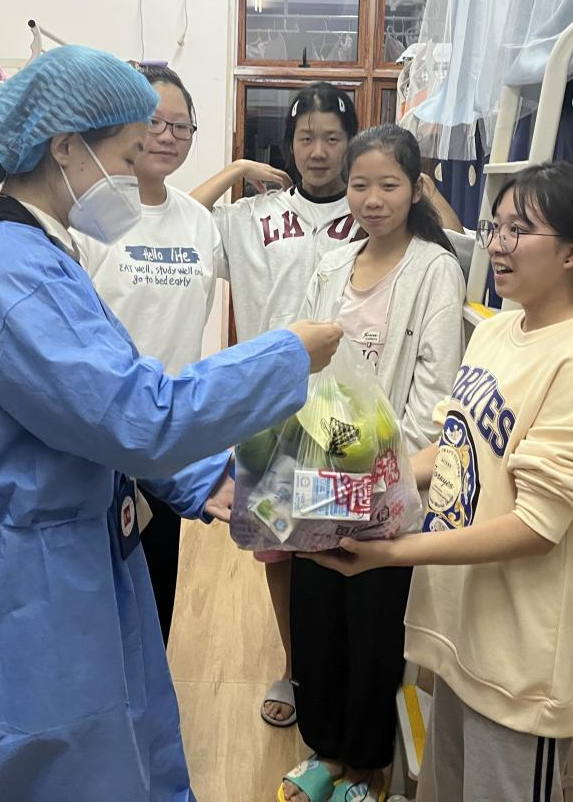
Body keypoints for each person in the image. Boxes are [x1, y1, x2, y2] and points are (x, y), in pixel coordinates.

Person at [0, 45, 343, 801]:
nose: (137, 177)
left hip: (66, 553)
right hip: (17, 585)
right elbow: (134, 415)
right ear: (66, 148)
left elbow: (95, 402)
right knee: (32, 771)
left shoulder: (42, 255)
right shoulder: (11, 276)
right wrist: (286, 353)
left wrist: (206, 480)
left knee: (118, 749)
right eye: (129, 156)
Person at [309, 162, 573, 802]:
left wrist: (393, 554)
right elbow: (454, 449)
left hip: (527, 662)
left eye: (520, 230)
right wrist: (362, 487)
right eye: (497, 226)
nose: (498, 243)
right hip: (468, 633)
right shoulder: (496, 331)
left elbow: (537, 528)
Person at [279, 125, 466, 802]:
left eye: (389, 184)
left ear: (416, 189)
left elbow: (434, 390)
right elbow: (301, 364)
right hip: (317, 470)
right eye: (360, 184)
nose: (372, 199)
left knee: (373, 626)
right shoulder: (331, 265)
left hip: (388, 482)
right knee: (315, 616)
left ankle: (366, 766)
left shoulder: (435, 269)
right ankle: (324, 751)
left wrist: (378, 476)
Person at [191, 82, 362, 729]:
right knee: (280, 550)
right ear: (288, 144)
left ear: (351, 143)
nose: (317, 152)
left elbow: (453, 247)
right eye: (305, 138)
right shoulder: (250, 216)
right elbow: (176, 228)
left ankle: (345, 669)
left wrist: (418, 182)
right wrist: (236, 168)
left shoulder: (371, 210)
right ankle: (294, 666)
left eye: (332, 138)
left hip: (349, 414)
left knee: (349, 544)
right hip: (269, 411)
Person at [74, 63, 219, 645]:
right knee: (97, 602)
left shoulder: (199, 222)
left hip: (168, 440)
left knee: (157, 594)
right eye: (154, 122)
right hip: (99, 440)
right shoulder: (90, 219)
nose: (166, 136)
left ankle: (148, 697)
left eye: (181, 126)